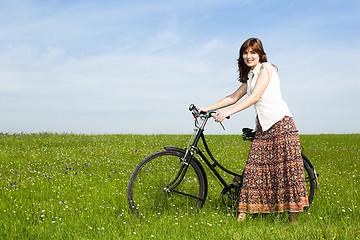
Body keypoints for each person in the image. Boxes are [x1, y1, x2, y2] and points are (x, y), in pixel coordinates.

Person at [199, 38, 309, 223]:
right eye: (245, 53)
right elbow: (233, 97)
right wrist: (207, 108)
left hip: (281, 124)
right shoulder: (251, 75)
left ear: (260, 54)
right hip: (263, 128)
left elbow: (256, 96)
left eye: (253, 52)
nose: (248, 56)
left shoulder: (267, 68)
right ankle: (242, 218)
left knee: (286, 172)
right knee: (252, 171)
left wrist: (227, 113)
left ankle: (293, 219)